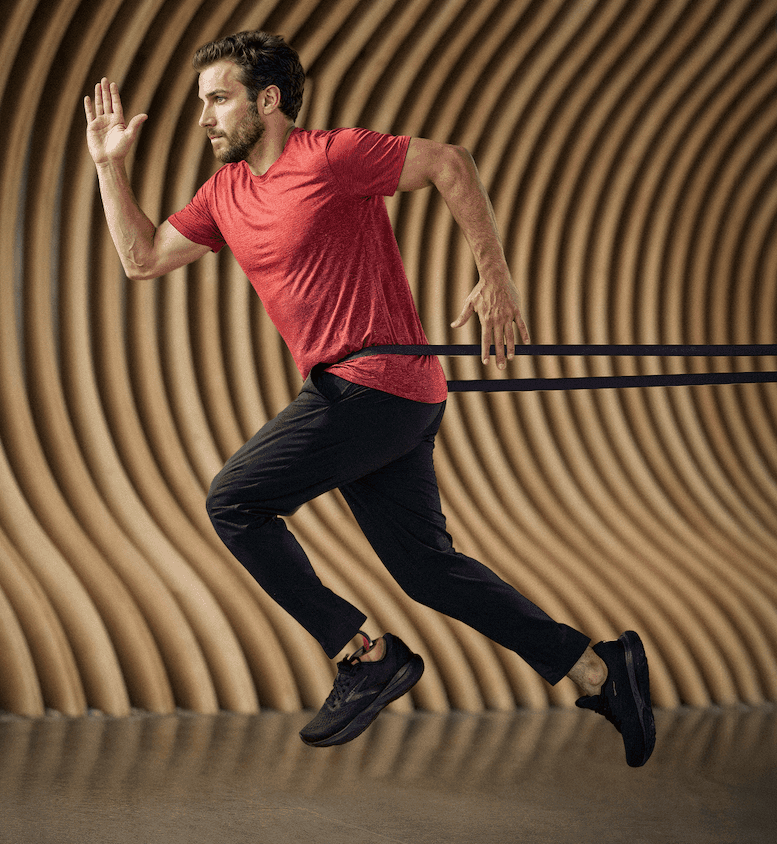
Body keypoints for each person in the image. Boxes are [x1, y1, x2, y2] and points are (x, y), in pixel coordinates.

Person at [83, 31, 655, 766]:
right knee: (426, 570)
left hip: (373, 386)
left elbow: (450, 162)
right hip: (374, 396)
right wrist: (109, 168)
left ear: (270, 100)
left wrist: (496, 276)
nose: (205, 118)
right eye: (202, 103)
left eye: (219, 100)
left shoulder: (330, 156)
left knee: (235, 499)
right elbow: (142, 259)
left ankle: (362, 654)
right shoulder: (225, 194)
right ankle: (599, 670)